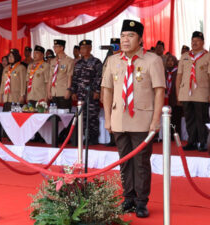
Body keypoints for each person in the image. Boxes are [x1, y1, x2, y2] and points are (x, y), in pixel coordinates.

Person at [102, 19, 165, 218]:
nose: (125, 40)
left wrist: (156, 120)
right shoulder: (113, 60)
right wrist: (108, 118)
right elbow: (107, 91)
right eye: (123, 36)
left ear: (140, 39)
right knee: (124, 161)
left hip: (142, 119)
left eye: (130, 36)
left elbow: (159, 91)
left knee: (141, 162)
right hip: (119, 118)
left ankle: (141, 201)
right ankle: (128, 198)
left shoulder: (152, 60)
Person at [176, 31, 210, 152]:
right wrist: (178, 93)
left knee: (202, 118)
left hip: (201, 92)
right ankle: (192, 141)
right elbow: (179, 76)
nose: (194, 43)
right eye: (192, 41)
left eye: (197, 41)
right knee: (189, 119)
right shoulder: (185, 56)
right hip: (186, 92)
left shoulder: (209, 56)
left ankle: (203, 142)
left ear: (203, 42)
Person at [71, 40, 103, 145]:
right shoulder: (78, 63)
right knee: (83, 116)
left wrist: (97, 91)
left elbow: (99, 78)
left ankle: (93, 138)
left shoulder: (96, 62)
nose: (83, 50)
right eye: (81, 48)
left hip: (91, 94)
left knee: (92, 117)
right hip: (80, 94)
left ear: (90, 48)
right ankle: (86, 137)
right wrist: (73, 91)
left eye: (85, 48)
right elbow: (74, 78)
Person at [47, 39, 74, 110]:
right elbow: (50, 77)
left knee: (65, 115)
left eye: (56, 47)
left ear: (62, 48)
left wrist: (68, 90)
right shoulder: (53, 61)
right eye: (54, 47)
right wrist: (49, 91)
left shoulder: (69, 60)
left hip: (63, 92)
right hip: (54, 92)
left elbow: (70, 76)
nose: (54, 48)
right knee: (54, 116)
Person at [165, 55, 183, 137]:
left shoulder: (178, 72)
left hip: (176, 98)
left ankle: (175, 135)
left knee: (176, 118)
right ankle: (167, 134)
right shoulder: (164, 72)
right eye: (168, 60)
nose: (170, 62)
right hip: (166, 99)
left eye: (172, 60)